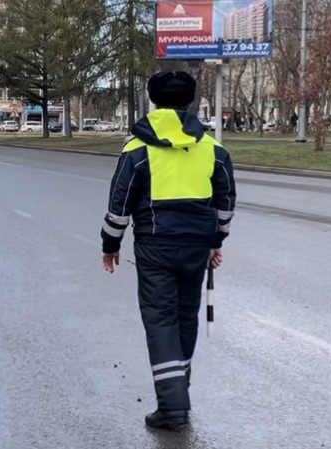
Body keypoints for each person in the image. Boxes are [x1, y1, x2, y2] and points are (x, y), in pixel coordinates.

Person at [99, 70, 237, 430]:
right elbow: (225, 205)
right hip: (196, 249)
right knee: (186, 317)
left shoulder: (136, 150)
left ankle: (173, 406)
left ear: (154, 100)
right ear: (191, 101)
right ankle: (179, 392)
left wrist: (110, 246)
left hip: (155, 246)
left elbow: (119, 206)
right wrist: (216, 241)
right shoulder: (214, 150)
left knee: (161, 320)